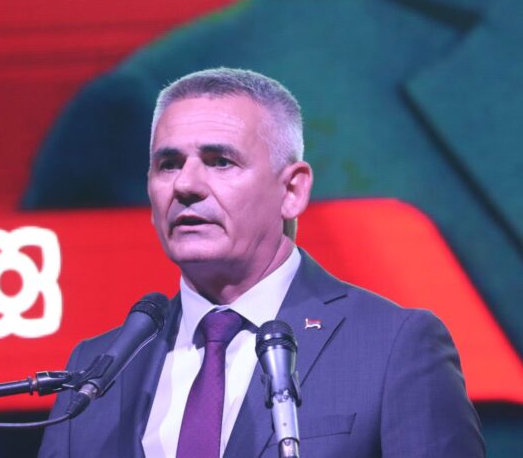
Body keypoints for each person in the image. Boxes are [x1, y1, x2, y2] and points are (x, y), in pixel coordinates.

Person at [38, 68, 485, 457]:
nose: (186, 185)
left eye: (220, 161)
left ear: (292, 191)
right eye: (168, 164)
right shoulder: (96, 369)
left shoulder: (392, 347)